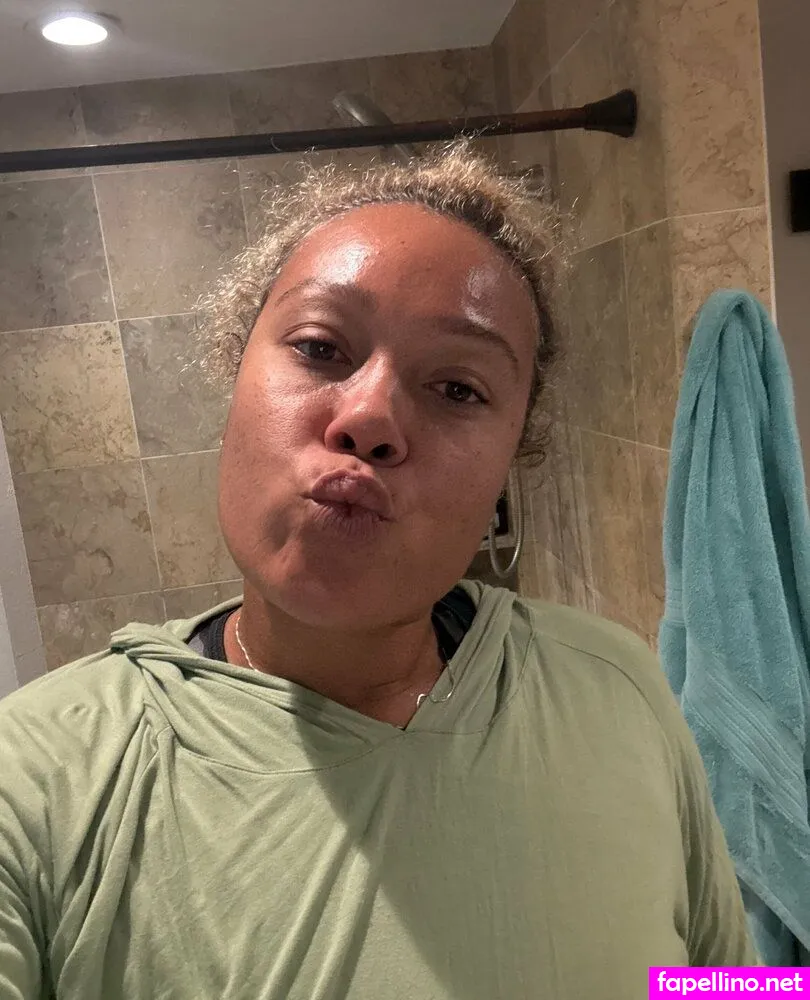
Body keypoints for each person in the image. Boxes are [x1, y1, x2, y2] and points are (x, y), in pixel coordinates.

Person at [0, 144, 756, 999]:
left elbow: (724, 983)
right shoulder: (36, 780)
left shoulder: (617, 685)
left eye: (459, 388)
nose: (369, 419)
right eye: (320, 347)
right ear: (234, 375)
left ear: (513, 458)